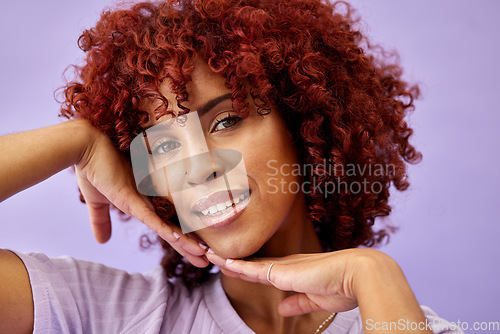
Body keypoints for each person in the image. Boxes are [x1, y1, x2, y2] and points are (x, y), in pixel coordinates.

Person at [0, 0, 462, 333]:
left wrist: (375, 275)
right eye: (161, 148)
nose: (197, 168)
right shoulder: (114, 315)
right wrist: (74, 142)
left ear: (302, 123)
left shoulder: (396, 318)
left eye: (225, 120)